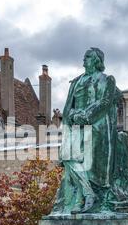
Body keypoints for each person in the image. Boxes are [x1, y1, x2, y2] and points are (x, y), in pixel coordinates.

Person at [51, 48, 123, 215]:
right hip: (76, 125)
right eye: (84, 57)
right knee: (68, 157)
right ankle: (86, 193)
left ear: (97, 60)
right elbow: (69, 105)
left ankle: (81, 199)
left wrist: (86, 115)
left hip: (97, 126)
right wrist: (73, 115)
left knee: (87, 161)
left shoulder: (107, 79)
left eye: (88, 57)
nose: (84, 60)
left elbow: (105, 101)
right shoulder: (76, 82)